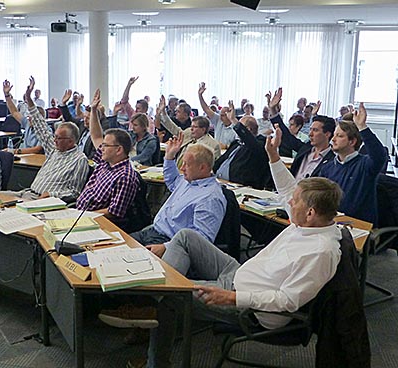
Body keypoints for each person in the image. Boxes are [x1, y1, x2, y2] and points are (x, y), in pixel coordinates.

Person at [114, 126, 344, 368]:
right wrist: (273, 156)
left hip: (249, 307)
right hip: (239, 274)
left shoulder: (321, 251)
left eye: (294, 202)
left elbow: (287, 301)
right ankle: (154, 301)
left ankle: (155, 351)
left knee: (172, 298)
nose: (288, 202)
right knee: (185, 236)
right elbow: (287, 189)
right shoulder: (308, 222)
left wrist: (234, 298)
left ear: (310, 212)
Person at [130, 130, 226, 255]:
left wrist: (166, 247)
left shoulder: (210, 198)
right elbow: (172, 180)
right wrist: (169, 156)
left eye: (187, 164)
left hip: (169, 242)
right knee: (114, 247)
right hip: (153, 231)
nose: (182, 168)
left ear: (202, 167)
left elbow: (202, 239)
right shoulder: (189, 180)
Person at [3, 78, 89, 201]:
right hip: (27, 192)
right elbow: (40, 124)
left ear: (71, 141)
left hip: (42, 200)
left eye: (59, 138)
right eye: (55, 137)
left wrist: (52, 195)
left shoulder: (79, 160)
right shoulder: (54, 150)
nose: (54, 140)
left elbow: (75, 192)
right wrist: (29, 98)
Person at [319, 102, 387, 224]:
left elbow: (380, 156)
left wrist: (362, 127)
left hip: (357, 226)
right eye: (334, 135)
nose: (333, 139)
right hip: (330, 223)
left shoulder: (365, 165)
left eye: (339, 136)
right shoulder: (327, 167)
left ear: (352, 142)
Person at [76, 89, 139, 220]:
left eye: (106, 145)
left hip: (95, 221)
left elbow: (114, 212)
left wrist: (85, 216)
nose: (101, 148)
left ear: (119, 150)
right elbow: (96, 135)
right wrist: (93, 110)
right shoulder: (106, 162)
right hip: (80, 213)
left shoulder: (124, 176)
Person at [269, 89, 335, 181]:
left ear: (327, 134)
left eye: (315, 130)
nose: (310, 134)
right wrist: (273, 110)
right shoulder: (305, 149)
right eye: (310, 129)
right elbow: (286, 135)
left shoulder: (333, 159)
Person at [214, 100, 271, 189]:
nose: (236, 130)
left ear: (247, 130)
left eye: (240, 127)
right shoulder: (237, 143)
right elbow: (221, 160)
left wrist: (233, 120)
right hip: (220, 181)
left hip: (239, 187)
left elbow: (252, 144)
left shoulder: (260, 143)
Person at [156, 94, 221, 167]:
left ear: (203, 129)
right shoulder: (189, 133)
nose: (192, 129)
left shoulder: (212, 144)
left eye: (195, 127)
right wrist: (163, 111)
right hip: (179, 169)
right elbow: (173, 128)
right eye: (191, 126)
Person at [2, 80, 44, 155]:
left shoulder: (45, 130)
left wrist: (16, 151)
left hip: (33, 158)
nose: (29, 118)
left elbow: (37, 149)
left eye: (32, 116)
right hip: (23, 156)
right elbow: (14, 112)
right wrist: (7, 95)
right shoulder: (28, 123)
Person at [197, 82, 237, 147]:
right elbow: (206, 109)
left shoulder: (235, 127)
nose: (220, 117)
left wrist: (226, 146)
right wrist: (200, 95)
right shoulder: (218, 121)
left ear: (229, 115)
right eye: (220, 114)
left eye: (223, 115)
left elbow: (239, 146)